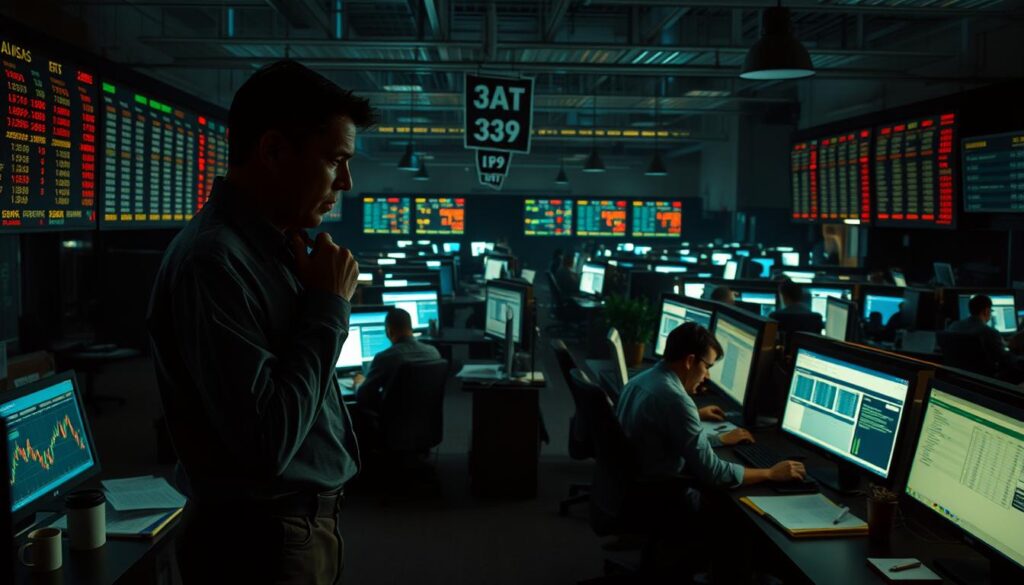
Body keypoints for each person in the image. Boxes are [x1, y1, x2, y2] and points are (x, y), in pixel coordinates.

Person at [147, 60, 375, 585]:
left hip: (292, 529)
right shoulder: (214, 263)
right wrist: (328, 308)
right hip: (261, 542)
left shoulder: (271, 249)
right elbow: (265, 443)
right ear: (273, 151)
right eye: (335, 160)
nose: (346, 181)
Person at [616, 322, 806, 500]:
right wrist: (770, 473)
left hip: (627, 488)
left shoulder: (639, 380)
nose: (708, 375)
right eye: (707, 366)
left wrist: (719, 439)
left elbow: (666, 435)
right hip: (656, 497)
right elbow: (714, 473)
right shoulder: (676, 401)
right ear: (690, 361)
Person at [354, 308, 443, 417]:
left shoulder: (385, 358)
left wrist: (359, 383)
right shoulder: (434, 353)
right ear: (411, 329)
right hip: (427, 423)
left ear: (389, 331)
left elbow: (363, 395)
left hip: (393, 424)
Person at [947, 294, 1010, 366]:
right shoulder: (989, 333)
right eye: (991, 311)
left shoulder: (953, 326)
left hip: (958, 373)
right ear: (986, 311)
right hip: (983, 375)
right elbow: (1005, 359)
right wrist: (1013, 348)